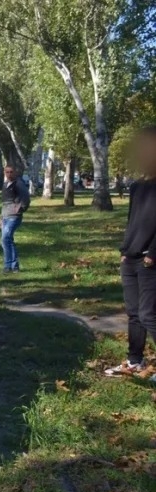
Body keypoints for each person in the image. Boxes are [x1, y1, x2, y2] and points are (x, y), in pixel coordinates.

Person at [105, 125, 156, 381]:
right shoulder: (137, 187)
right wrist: (124, 251)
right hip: (131, 257)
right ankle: (135, 360)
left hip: (150, 260)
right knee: (134, 313)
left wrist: (152, 253)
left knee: (149, 314)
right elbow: (132, 221)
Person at [0, 165, 30, 273]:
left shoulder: (19, 184)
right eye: (7, 172)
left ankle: (8, 266)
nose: (9, 174)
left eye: (11, 172)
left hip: (14, 217)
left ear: (15, 173)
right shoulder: (5, 185)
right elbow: (4, 203)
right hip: (5, 216)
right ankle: (14, 266)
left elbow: (26, 199)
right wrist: (1, 218)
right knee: (7, 240)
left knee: (5, 238)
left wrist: (20, 209)